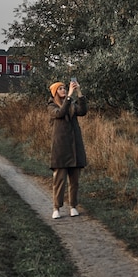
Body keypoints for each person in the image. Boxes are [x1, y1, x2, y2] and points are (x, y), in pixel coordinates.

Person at [48, 79, 87, 219]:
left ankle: (73, 206)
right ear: (55, 93)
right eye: (61, 89)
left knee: (74, 180)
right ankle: (56, 208)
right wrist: (70, 96)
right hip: (60, 148)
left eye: (65, 88)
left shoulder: (72, 104)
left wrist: (79, 92)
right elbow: (60, 113)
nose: (64, 90)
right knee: (59, 180)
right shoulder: (52, 106)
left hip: (75, 146)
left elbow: (82, 111)